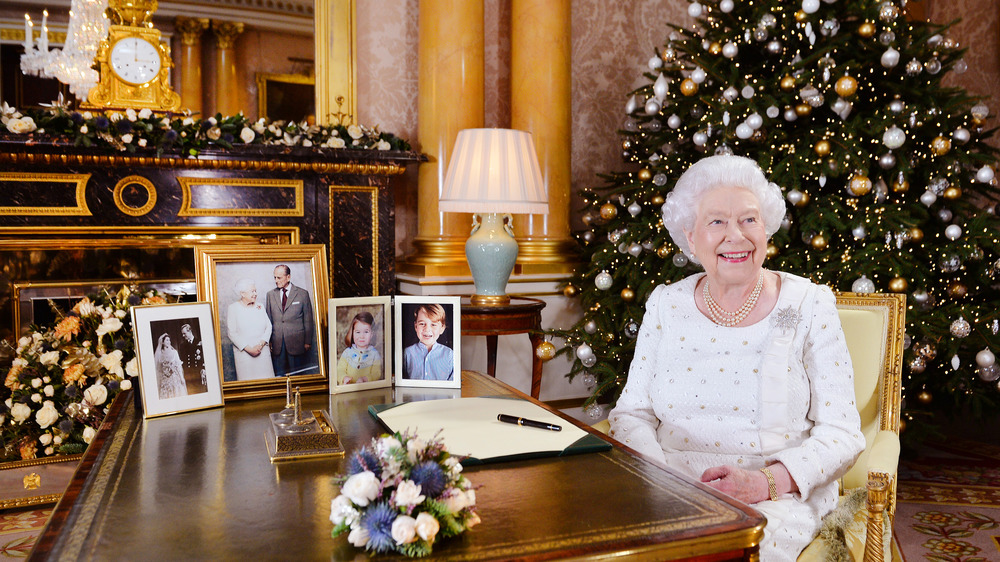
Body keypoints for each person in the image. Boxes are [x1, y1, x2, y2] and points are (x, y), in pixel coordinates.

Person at [607, 155, 865, 561]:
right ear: (690, 238)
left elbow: (843, 433)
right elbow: (632, 414)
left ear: (766, 229)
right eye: (716, 222)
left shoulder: (809, 304)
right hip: (667, 485)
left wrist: (764, 483)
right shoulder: (665, 305)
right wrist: (663, 482)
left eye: (749, 220)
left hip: (774, 498)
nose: (736, 236)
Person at [266, 265, 315, 377]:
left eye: (279, 277)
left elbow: (308, 319)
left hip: (297, 343)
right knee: (279, 376)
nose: (276, 281)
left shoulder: (302, 294)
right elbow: (268, 320)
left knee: (297, 375)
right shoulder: (270, 295)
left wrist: (307, 341)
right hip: (277, 343)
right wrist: (269, 341)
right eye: (275, 277)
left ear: (288, 277)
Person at [227, 278, 275, 380]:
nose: (255, 294)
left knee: (268, 385)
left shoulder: (260, 306)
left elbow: (269, 326)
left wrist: (261, 344)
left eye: (255, 291)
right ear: (242, 293)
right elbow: (232, 333)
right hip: (244, 355)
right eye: (252, 291)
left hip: (262, 352)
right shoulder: (233, 308)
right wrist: (250, 350)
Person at [403, 304, 454, 381]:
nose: (427, 329)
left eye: (433, 324)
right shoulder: (407, 353)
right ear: (416, 326)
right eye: (422, 324)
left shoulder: (449, 354)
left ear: (442, 328)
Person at [337, 311, 383, 384]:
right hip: (348, 390)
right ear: (352, 333)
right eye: (358, 332)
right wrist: (344, 378)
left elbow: (376, 373)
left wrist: (365, 379)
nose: (362, 336)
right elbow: (340, 369)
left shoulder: (374, 354)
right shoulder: (347, 352)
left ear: (372, 334)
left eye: (366, 332)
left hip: (366, 391)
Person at [154, 333, 187, 399]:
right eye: (167, 340)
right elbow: (158, 368)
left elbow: (178, 366)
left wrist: (181, 378)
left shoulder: (174, 352)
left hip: (175, 378)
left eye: (169, 340)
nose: (169, 342)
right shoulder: (160, 354)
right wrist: (165, 372)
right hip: (165, 379)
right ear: (162, 342)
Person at [178, 323, 206, 387]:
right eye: (182, 334)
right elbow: (182, 361)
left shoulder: (199, 341)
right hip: (188, 375)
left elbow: (204, 359)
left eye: (184, 333)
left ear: (190, 331)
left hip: (199, 373)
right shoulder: (182, 346)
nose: (183, 335)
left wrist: (203, 369)